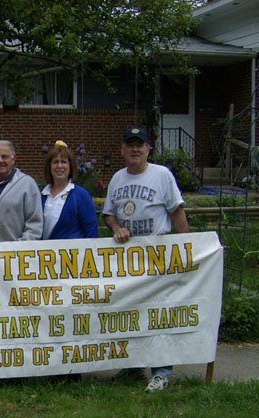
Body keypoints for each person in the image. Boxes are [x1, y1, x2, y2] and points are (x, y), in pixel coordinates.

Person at [103, 126, 190, 393]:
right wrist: (116, 227)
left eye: (140, 145)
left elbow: (177, 212)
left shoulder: (162, 175)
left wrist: (185, 247)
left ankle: (161, 372)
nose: (135, 150)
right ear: (122, 150)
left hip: (158, 255)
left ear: (148, 149)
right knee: (131, 312)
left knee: (158, 314)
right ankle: (132, 366)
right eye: (130, 145)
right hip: (129, 259)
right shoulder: (118, 178)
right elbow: (108, 214)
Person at [0, 140, 43, 242]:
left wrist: (20, 249)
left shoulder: (27, 184)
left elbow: (34, 224)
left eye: (5, 156)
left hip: (15, 254)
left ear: (13, 159)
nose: (0, 160)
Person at [41, 140, 99, 240]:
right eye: (55, 162)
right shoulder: (41, 196)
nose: (59, 166)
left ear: (70, 166)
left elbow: (91, 231)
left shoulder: (81, 195)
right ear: (49, 167)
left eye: (63, 162)